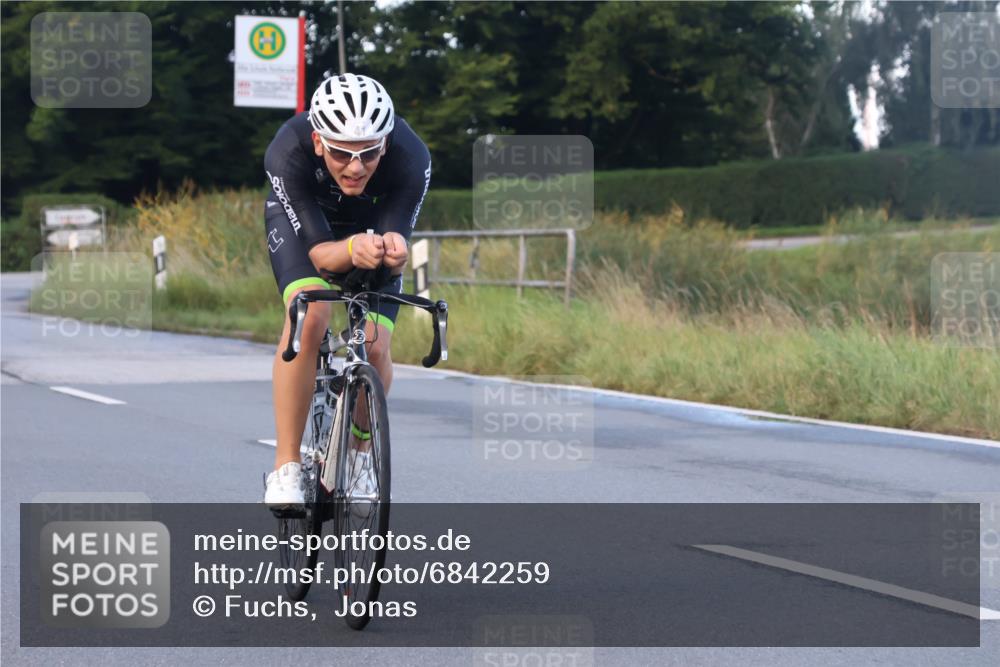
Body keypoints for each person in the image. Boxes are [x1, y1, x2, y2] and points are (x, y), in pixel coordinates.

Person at [262, 73, 431, 507]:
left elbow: (395, 235)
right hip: (306, 225)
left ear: (386, 145)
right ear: (319, 142)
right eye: (340, 153)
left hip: (367, 225)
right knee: (310, 314)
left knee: (375, 345)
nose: (355, 167)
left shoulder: (412, 158)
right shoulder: (288, 151)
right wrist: (352, 248)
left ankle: (357, 457)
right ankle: (286, 467)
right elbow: (320, 255)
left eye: (369, 153)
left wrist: (394, 249)